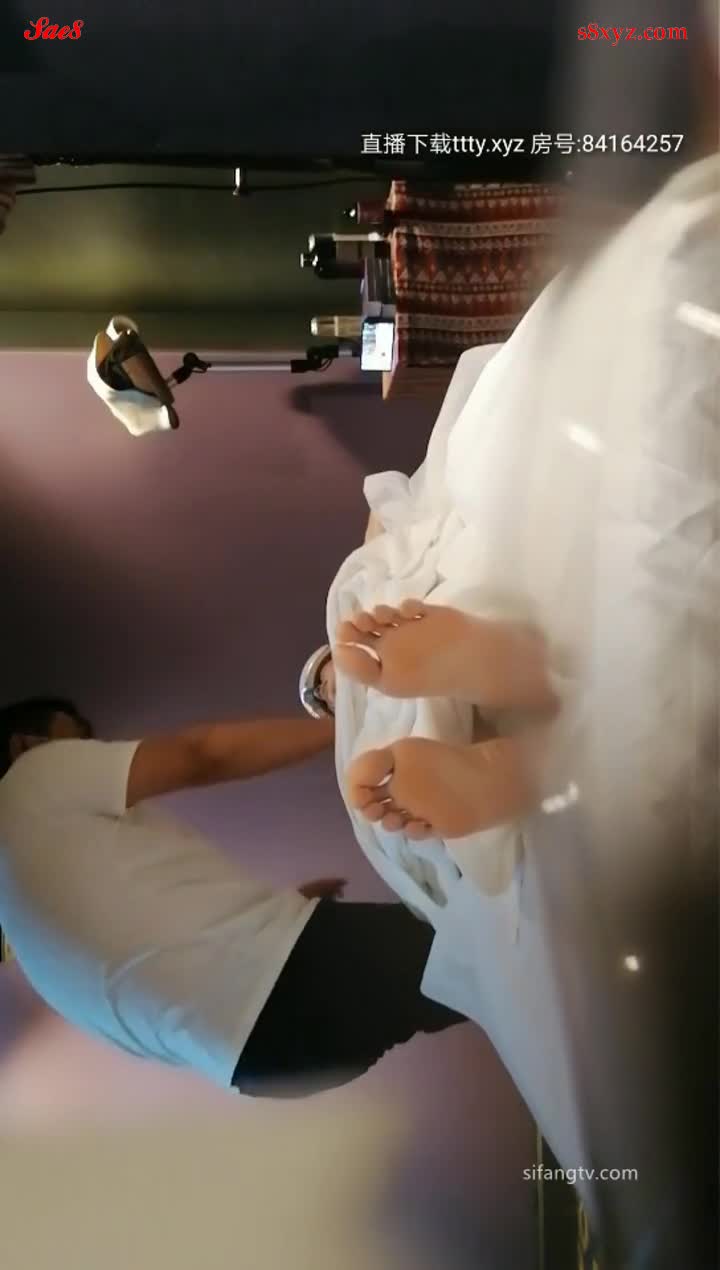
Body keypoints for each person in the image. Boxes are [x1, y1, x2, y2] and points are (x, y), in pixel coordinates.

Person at [0, 697, 463, 1097]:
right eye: (77, 740)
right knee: (486, 950)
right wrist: (350, 731)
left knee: (475, 977)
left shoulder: (17, 904)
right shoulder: (29, 778)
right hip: (286, 983)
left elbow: (137, 949)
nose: (91, 751)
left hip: (264, 1064)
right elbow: (200, 755)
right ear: (23, 745)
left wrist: (290, 909)